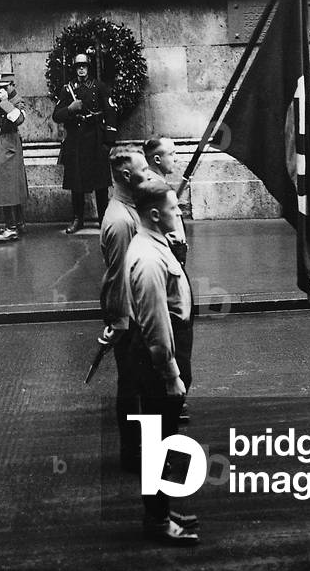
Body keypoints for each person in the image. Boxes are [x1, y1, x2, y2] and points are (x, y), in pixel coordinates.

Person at [125, 181, 199, 546]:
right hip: (159, 362)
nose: (179, 212)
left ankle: (163, 510)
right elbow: (156, 324)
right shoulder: (149, 258)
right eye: (174, 208)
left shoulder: (157, 243)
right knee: (159, 443)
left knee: (164, 438)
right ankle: (156, 520)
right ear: (154, 215)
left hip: (169, 351)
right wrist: (170, 375)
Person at [98, 144, 152, 472]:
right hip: (130, 319)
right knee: (131, 386)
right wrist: (121, 324)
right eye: (144, 170)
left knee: (140, 385)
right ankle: (133, 453)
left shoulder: (131, 208)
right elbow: (117, 279)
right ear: (127, 175)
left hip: (139, 313)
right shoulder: (120, 222)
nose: (149, 175)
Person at [53, 52, 118, 234]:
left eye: (84, 66)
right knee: (76, 182)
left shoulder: (99, 87)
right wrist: (70, 109)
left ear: (89, 68)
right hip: (76, 140)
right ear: (74, 69)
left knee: (100, 183)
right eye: (78, 67)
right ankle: (78, 219)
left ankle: (103, 218)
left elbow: (110, 113)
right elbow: (56, 115)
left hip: (96, 137)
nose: (81, 69)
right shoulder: (68, 89)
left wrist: (109, 142)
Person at [0, 71, 29, 242]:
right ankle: (18, 223)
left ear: (12, 86)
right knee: (7, 186)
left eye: (4, 87)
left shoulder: (18, 101)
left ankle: (11, 228)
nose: (1, 89)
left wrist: (4, 102)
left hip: (9, 144)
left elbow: (18, 120)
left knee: (7, 188)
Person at [144, 136, 188, 266]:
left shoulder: (157, 184)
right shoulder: (155, 189)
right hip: (169, 257)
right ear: (157, 159)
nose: (176, 158)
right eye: (171, 154)